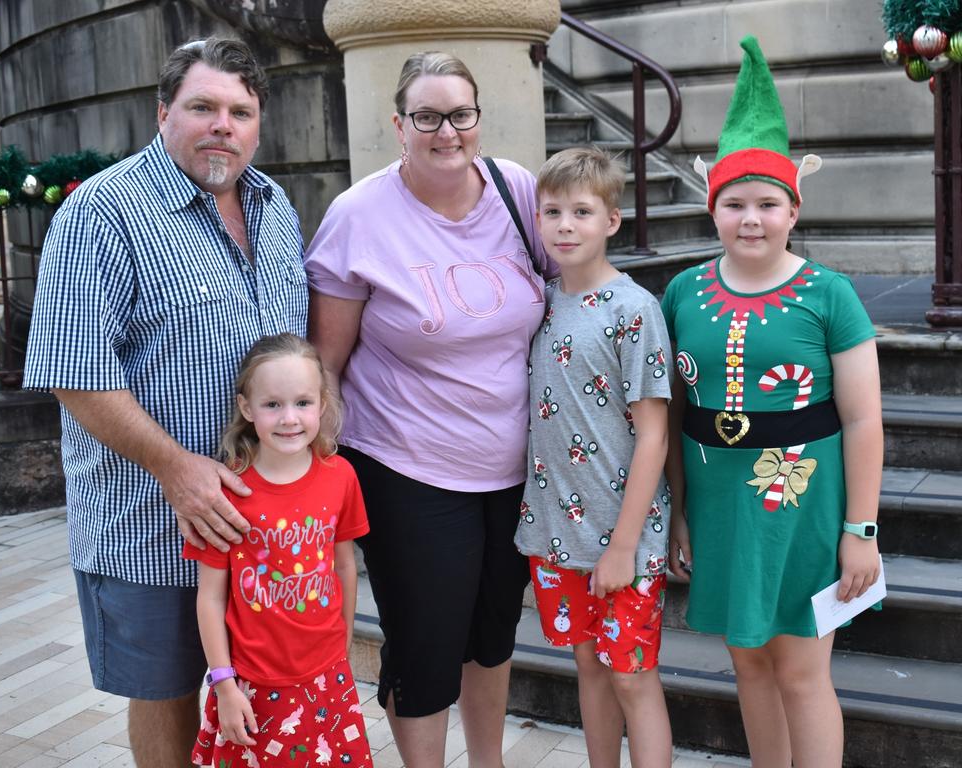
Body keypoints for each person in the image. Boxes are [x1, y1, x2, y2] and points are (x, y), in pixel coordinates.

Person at [22, 37, 309, 768]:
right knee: (168, 693)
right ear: (163, 112)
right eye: (203, 107)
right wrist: (176, 468)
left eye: (240, 111)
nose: (223, 126)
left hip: (261, 522)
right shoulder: (101, 215)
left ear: (259, 122)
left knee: (266, 693)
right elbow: (76, 373)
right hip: (149, 522)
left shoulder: (276, 208)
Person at [304, 51, 551, 768]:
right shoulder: (359, 215)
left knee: (493, 636)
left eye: (461, 115)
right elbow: (327, 364)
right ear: (399, 125)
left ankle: (489, 762)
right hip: (406, 469)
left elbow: (570, 290)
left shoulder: (518, 191)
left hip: (512, 469)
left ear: (479, 117)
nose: (447, 132)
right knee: (425, 645)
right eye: (428, 117)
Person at [662, 37, 883, 768]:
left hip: (807, 509)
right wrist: (679, 514)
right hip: (721, 506)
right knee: (749, 664)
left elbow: (862, 418)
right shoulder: (682, 293)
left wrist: (863, 530)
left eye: (767, 203)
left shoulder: (830, 295)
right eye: (735, 204)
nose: (750, 218)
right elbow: (673, 415)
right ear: (711, 207)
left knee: (800, 670)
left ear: (795, 209)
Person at [514, 147, 673, 768]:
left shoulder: (634, 310)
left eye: (581, 212)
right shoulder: (539, 302)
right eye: (552, 211)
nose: (564, 225)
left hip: (622, 536)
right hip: (555, 533)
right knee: (587, 663)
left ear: (611, 219)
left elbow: (654, 436)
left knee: (632, 673)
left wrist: (624, 545)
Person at [184, 333, 372, 768]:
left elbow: (345, 566)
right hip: (252, 684)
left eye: (303, 403)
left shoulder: (340, 477)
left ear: (322, 405)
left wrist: (341, 648)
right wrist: (224, 685)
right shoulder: (228, 492)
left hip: (327, 675)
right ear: (248, 409)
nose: (289, 418)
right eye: (272, 405)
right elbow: (210, 597)